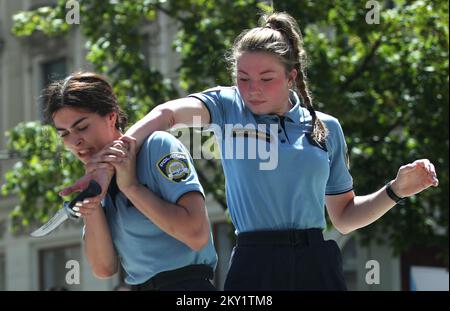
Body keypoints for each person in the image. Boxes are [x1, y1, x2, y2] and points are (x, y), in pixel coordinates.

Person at [61, 12, 439, 290]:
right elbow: (168, 113)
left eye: (266, 78)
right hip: (256, 259)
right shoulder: (228, 107)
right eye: (243, 78)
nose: (252, 88)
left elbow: (342, 217)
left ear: (291, 76)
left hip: (317, 260)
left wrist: (395, 191)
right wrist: (116, 155)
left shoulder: (326, 127)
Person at [42, 72, 217, 291]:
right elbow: (103, 268)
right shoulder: (94, 180)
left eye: (82, 127)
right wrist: (93, 206)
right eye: (64, 134)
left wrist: (130, 187)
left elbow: (196, 235)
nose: (75, 141)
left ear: (111, 116)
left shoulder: (157, 146)